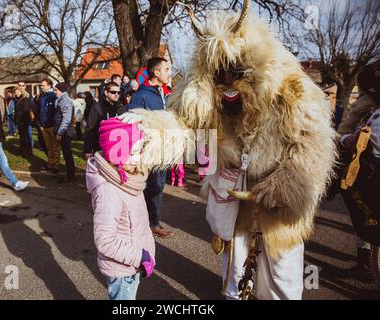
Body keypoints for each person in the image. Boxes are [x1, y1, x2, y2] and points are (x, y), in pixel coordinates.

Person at [119, 4, 336, 300]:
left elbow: (312, 145)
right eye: (218, 76)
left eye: (236, 73)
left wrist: (286, 185)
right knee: (235, 279)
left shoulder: (291, 92)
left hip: (277, 214)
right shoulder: (209, 103)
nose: (227, 84)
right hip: (232, 209)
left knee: (280, 281)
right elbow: (184, 129)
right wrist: (144, 136)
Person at [86, 117, 155, 300]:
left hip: (132, 263)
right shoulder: (109, 190)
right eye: (130, 153)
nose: (137, 158)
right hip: (123, 269)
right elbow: (104, 240)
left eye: (139, 151)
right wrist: (140, 256)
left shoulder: (129, 179)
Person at [339, 57, 380, 298]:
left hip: (378, 178)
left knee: (379, 235)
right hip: (373, 175)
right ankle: (366, 265)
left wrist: (349, 141)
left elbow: (371, 142)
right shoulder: (375, 110)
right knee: (372, 232)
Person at [126, 57, 174, 238]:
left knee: (158, 186)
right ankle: (144, 222)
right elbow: (133, 120)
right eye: (167, 69)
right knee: (151, 185)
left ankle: (151, 222)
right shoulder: (142, 95)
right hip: (148, 149)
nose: (169, 73)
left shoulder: (165, 93)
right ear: (156, 72)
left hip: (164, 148)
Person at [83, 82, 126, 158]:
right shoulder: (97, 108)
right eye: (113, 92)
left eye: (118, 93)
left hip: (118, 148)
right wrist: (88, 149)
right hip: (100, 147)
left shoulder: (121, 109)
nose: (116, 94)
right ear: (106, 92)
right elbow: (90, 129)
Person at [54, 83, 76, 183]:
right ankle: (70, 174)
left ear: (61, 90)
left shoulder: (65, 101)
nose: (55, 92)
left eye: (56, 90)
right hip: (64, 131)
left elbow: (66, 119)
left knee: (67, 154)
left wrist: (60, 133)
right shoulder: (61, 99)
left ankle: (70, 175)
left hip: (65, 132)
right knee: (67, 153)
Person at [37, 78, 60, 173]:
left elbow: (56, 112)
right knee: (48, 147)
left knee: (55, 147)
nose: (41, 87)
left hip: (52, 125)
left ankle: (56, 165)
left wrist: (55, 125)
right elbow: (41, 111)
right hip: (43, 125)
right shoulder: (42, 97)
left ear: (49, 85)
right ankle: (50, 163)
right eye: (41, 85)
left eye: (43, 85)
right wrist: (40, 123)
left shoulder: (53, 96)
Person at [14, 86, 34, 156]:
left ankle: (26, 152)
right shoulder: (18, 99)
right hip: (20, 121)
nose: (16, 93)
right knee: (23, 137)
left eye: (17, 92)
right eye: (15, 92)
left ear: (21, 92)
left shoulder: (24, 100)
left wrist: (22, 121)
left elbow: (25, 111)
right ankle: (25, 151)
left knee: (25, 137)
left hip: (24, 121)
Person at [18, 82, 34, 150]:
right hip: (20, 119)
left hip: (27, 118)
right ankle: (25, 148)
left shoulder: (28, 95)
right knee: (23, 135)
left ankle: (30, 147)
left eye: (22, 85)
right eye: (19, 85)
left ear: (25, 87)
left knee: (29, 134)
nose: (21, 86)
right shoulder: (17, 96)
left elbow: (31, 106)